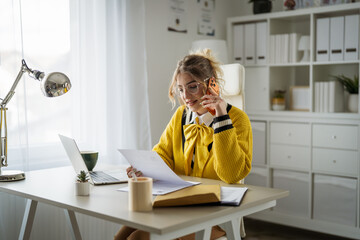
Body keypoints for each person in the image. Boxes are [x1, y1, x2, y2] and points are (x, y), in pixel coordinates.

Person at [114, 49, 253, 240]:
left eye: (192, 86)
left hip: (209, 209)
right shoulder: (181, 116)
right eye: (180, 89)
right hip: (177, 202)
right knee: (122, 235)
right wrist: (144, 169)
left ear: (212, 84)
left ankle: (216, 232)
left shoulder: (237, 119)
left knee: (138, 237)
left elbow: (231, 174)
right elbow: (162, 155)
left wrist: (221, 117)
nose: (185, 96)